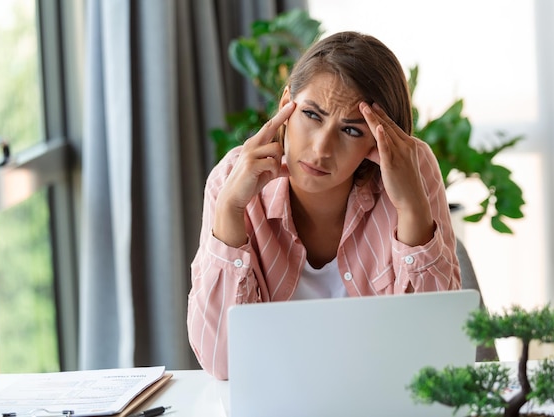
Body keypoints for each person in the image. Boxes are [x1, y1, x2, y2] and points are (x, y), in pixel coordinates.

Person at [187, 31, 460, 380]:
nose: (321, 149)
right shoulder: (233, 178)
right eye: (312, 115)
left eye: (351, 131)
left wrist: (411, 209)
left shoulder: (412, 170)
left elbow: (435, 355)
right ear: (287, 103)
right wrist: (229, 211)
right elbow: (221, 363)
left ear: (379, 139)